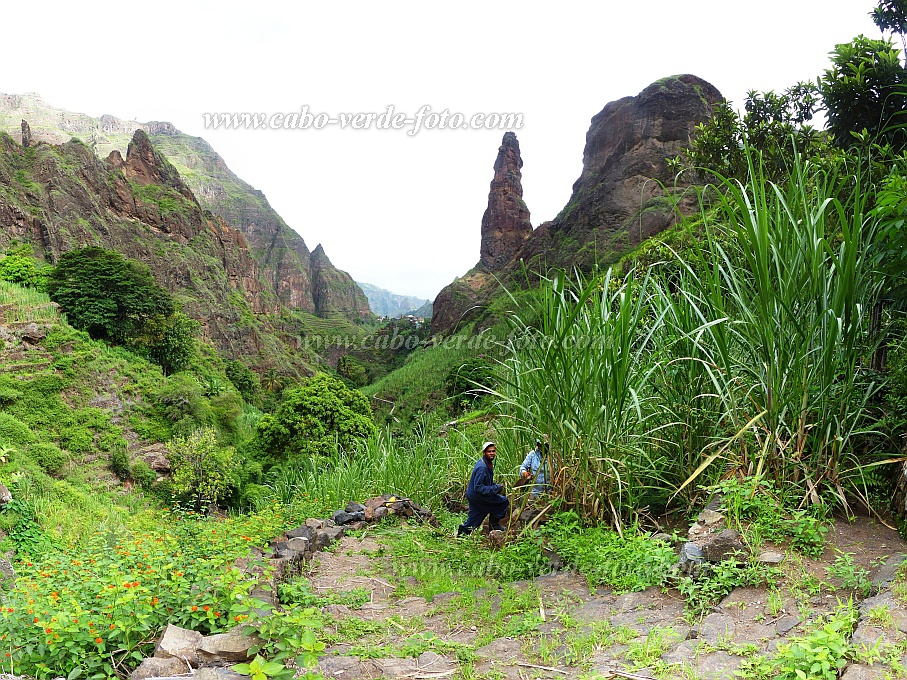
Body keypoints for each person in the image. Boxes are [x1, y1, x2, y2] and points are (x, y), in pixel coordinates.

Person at [457, 441, 509, 536]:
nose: (492, 453)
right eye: (489, 451)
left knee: (475, 519)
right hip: (478, 497)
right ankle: (493, 525)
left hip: (474, 496)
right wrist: (496, 488)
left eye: (493, 451)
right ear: (484, 452)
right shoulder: (482, 467)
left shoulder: (486, 463)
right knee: (503, 502)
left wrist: (494, 485)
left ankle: (462, 533)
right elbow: (479, 487)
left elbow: (485, 482)